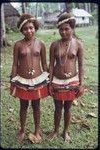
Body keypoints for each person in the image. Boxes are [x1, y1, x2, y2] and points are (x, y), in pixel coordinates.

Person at [10, 13, 49, 143]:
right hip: (22, 80)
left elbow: (44, 64)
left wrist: (51, 78)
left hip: (38, 80)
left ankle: (37, 130)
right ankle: (22, 129)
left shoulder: (41, 44)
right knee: (23, 106)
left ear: (35, 27)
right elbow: (15, 64)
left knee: (36, 106)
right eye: (25, 28)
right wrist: (12, 80)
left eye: (31, 27)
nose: (29, 30)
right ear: (21, 30)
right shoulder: (18, 45)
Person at [49, 12, 84, 142]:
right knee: (57, 107)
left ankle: (65, 132)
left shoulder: (78, 44)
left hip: (72, 81)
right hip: (57, 81)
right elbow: (51, 65)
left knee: (68, 107)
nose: (63, 32)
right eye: (61, 29)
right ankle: (56, 131)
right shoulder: (54, 45)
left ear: (72, 28)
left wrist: (81, 84)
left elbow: (80, 66)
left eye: (66, 29)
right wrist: (50, 82)